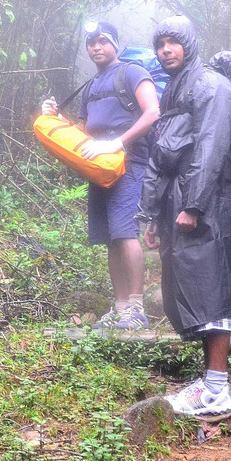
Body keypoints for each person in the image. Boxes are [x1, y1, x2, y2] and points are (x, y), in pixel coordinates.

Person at [136, 16, 231, 416]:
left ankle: (217, 389)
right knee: (195, 290)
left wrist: (194, 205)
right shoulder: (174, 90)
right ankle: (210, 382)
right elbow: (161, 154)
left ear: (190, 44)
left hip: (206, 207)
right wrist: (151, 214)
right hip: (178, 205)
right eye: (160, 44)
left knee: (213, 289)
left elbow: (211, 147)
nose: (165, 50)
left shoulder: (210, 86)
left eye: (173, 42)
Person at [43, 20, 159, 329]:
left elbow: (153, 112)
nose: (96, 46)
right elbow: (82, 133)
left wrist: (117, 142)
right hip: (99, 170)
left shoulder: (131, 72)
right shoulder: (90, 86)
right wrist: (54, 119)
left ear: (116, 44)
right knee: (110, 238)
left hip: (129, 163)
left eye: (103, 40)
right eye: (91, 42)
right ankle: (120, 308)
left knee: (125, 233)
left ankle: (136, 309)